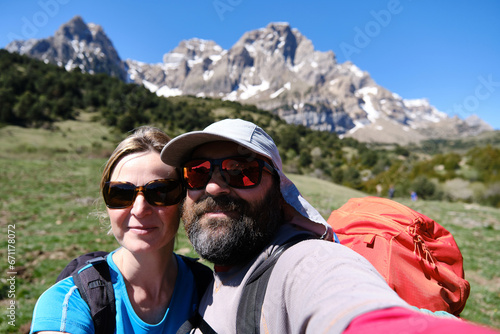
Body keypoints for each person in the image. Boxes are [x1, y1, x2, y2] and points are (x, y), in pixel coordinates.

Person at [161, 118, 499, 334]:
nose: (215, 187)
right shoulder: (203, 277)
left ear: (280, 194)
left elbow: (361, 313)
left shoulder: (308, 264)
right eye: (198, 172)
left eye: (241, 171)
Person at [30, 126, 211, 334]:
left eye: (160, 191)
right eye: (120, 193)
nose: (140, 209)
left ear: (183, 201)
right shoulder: (69, 302)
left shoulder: (209, 291)